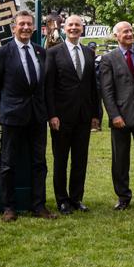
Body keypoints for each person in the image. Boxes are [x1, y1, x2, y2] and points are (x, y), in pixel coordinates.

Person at [0, 10, 56, 222]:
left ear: (34, 28)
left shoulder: (40, 52)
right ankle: (9, 207)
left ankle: (38, 206)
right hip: (12, 116)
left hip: (37, 117)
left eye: (29, 24)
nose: (25, 27)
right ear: (13, 28)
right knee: (8, 164)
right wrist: (5, 108)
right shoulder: (3, 53)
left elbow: (44, 86)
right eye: (21, 24)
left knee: (39, 163)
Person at [44, 15, 99, 214]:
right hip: (61, 117)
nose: (74, 28)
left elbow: (93, 86)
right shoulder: (53, 53)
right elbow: (48, 87)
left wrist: (96, 114)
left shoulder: (89, 53)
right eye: (70, 25)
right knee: (60, 160)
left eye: (77, 25)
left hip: (84, 116)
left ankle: (76, 198)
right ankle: (62, 200)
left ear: (82, 29)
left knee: (80, 159)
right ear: (64, 28)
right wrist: (52, 115)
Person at [99, 21, 134, 211]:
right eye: (125, 31)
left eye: (131, 30)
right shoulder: (108, 59)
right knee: (120, 160)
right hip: (120, 118)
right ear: (116, 36)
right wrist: (114, 115)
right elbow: (106, 91)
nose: (130, 34)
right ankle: (123, 197)